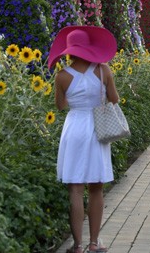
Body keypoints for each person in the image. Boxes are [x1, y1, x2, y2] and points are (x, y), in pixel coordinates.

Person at [48, 26, 120, 253]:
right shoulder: (103, 70)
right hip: (97, 128)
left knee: (75, 189)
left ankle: (77, 245)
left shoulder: (61, 75)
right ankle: (94, 243)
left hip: (74, 127)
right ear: (89, 48)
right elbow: (114, 99)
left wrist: (76, 100)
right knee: (96, 188)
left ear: (68, 51)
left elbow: (60, 106)